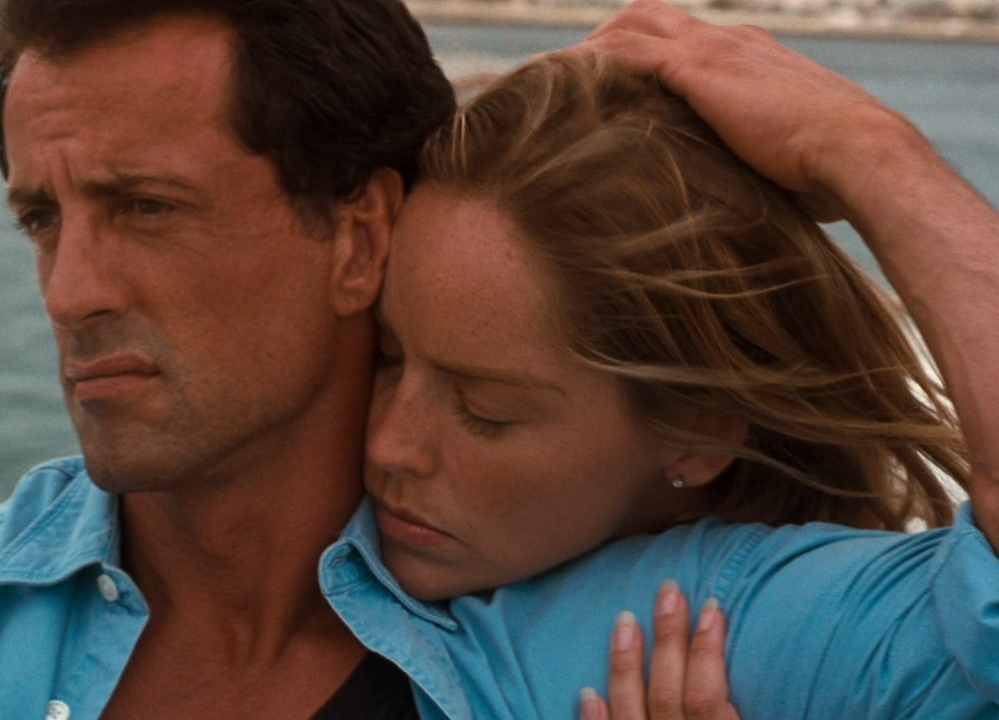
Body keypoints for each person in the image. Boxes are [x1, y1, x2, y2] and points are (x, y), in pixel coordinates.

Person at [0, 1, 988, 719]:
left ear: (360, 236)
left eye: (146, 208)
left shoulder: (650, 643)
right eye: (42, 220)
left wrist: (868, 156)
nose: (69, 292)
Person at [336, 8, 999, 719]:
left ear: (699, 430)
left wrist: (870, 151)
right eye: (387, 357)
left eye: (484, 410)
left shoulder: (756, 621)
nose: (388, 446)